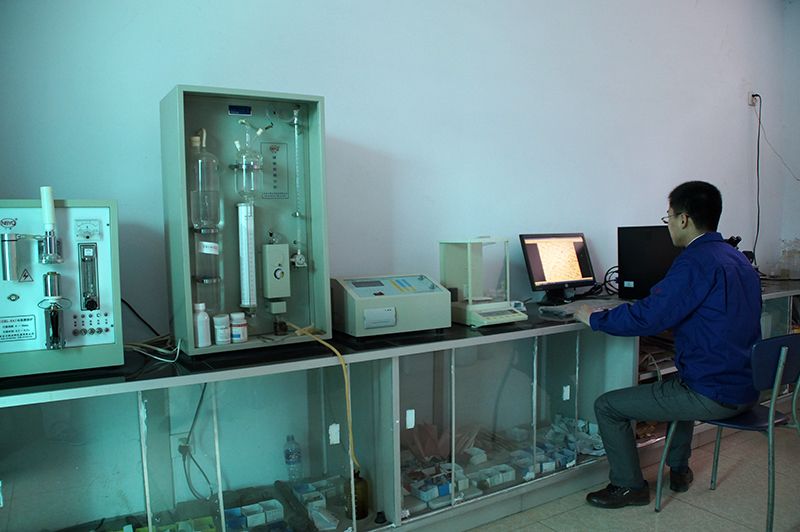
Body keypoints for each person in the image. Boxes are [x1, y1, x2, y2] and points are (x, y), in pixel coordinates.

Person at [574, 180, 761, 509]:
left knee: (607, 406)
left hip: (713, 392)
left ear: (684, 219)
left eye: (669, 217)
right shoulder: (736, 258)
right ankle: (679, 470)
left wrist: (594, 317)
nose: (669, 224)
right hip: (746, 387)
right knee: (677, 383)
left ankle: (629, 486)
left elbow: (648, 317)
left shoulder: (695, 261)